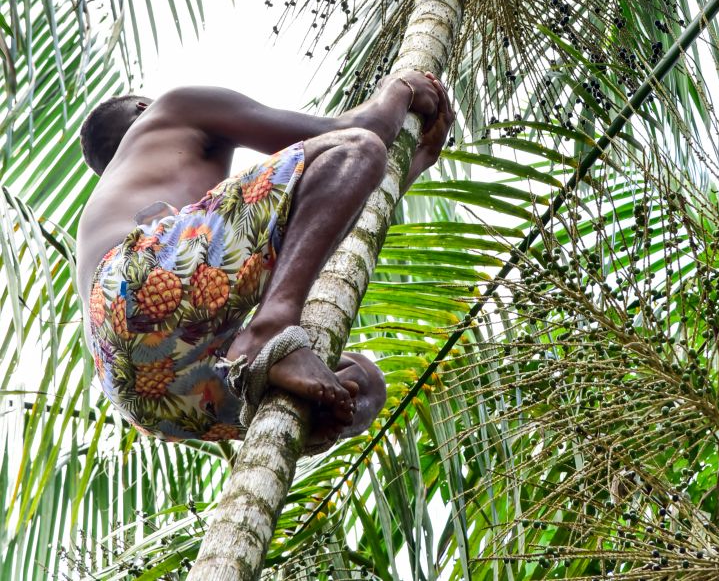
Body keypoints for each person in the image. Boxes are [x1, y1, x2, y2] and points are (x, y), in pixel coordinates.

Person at [77, 72, 454, 448]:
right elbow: (360, 130)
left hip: (145, 398)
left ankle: (307, 412)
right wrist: (400, 89)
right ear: (144, 107)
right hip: (137, 280)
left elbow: (324, 221)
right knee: (359, 147)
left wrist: (415, 161)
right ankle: (272, 328)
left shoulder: (137, 197)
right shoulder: (172, 106)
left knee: (365, 383)